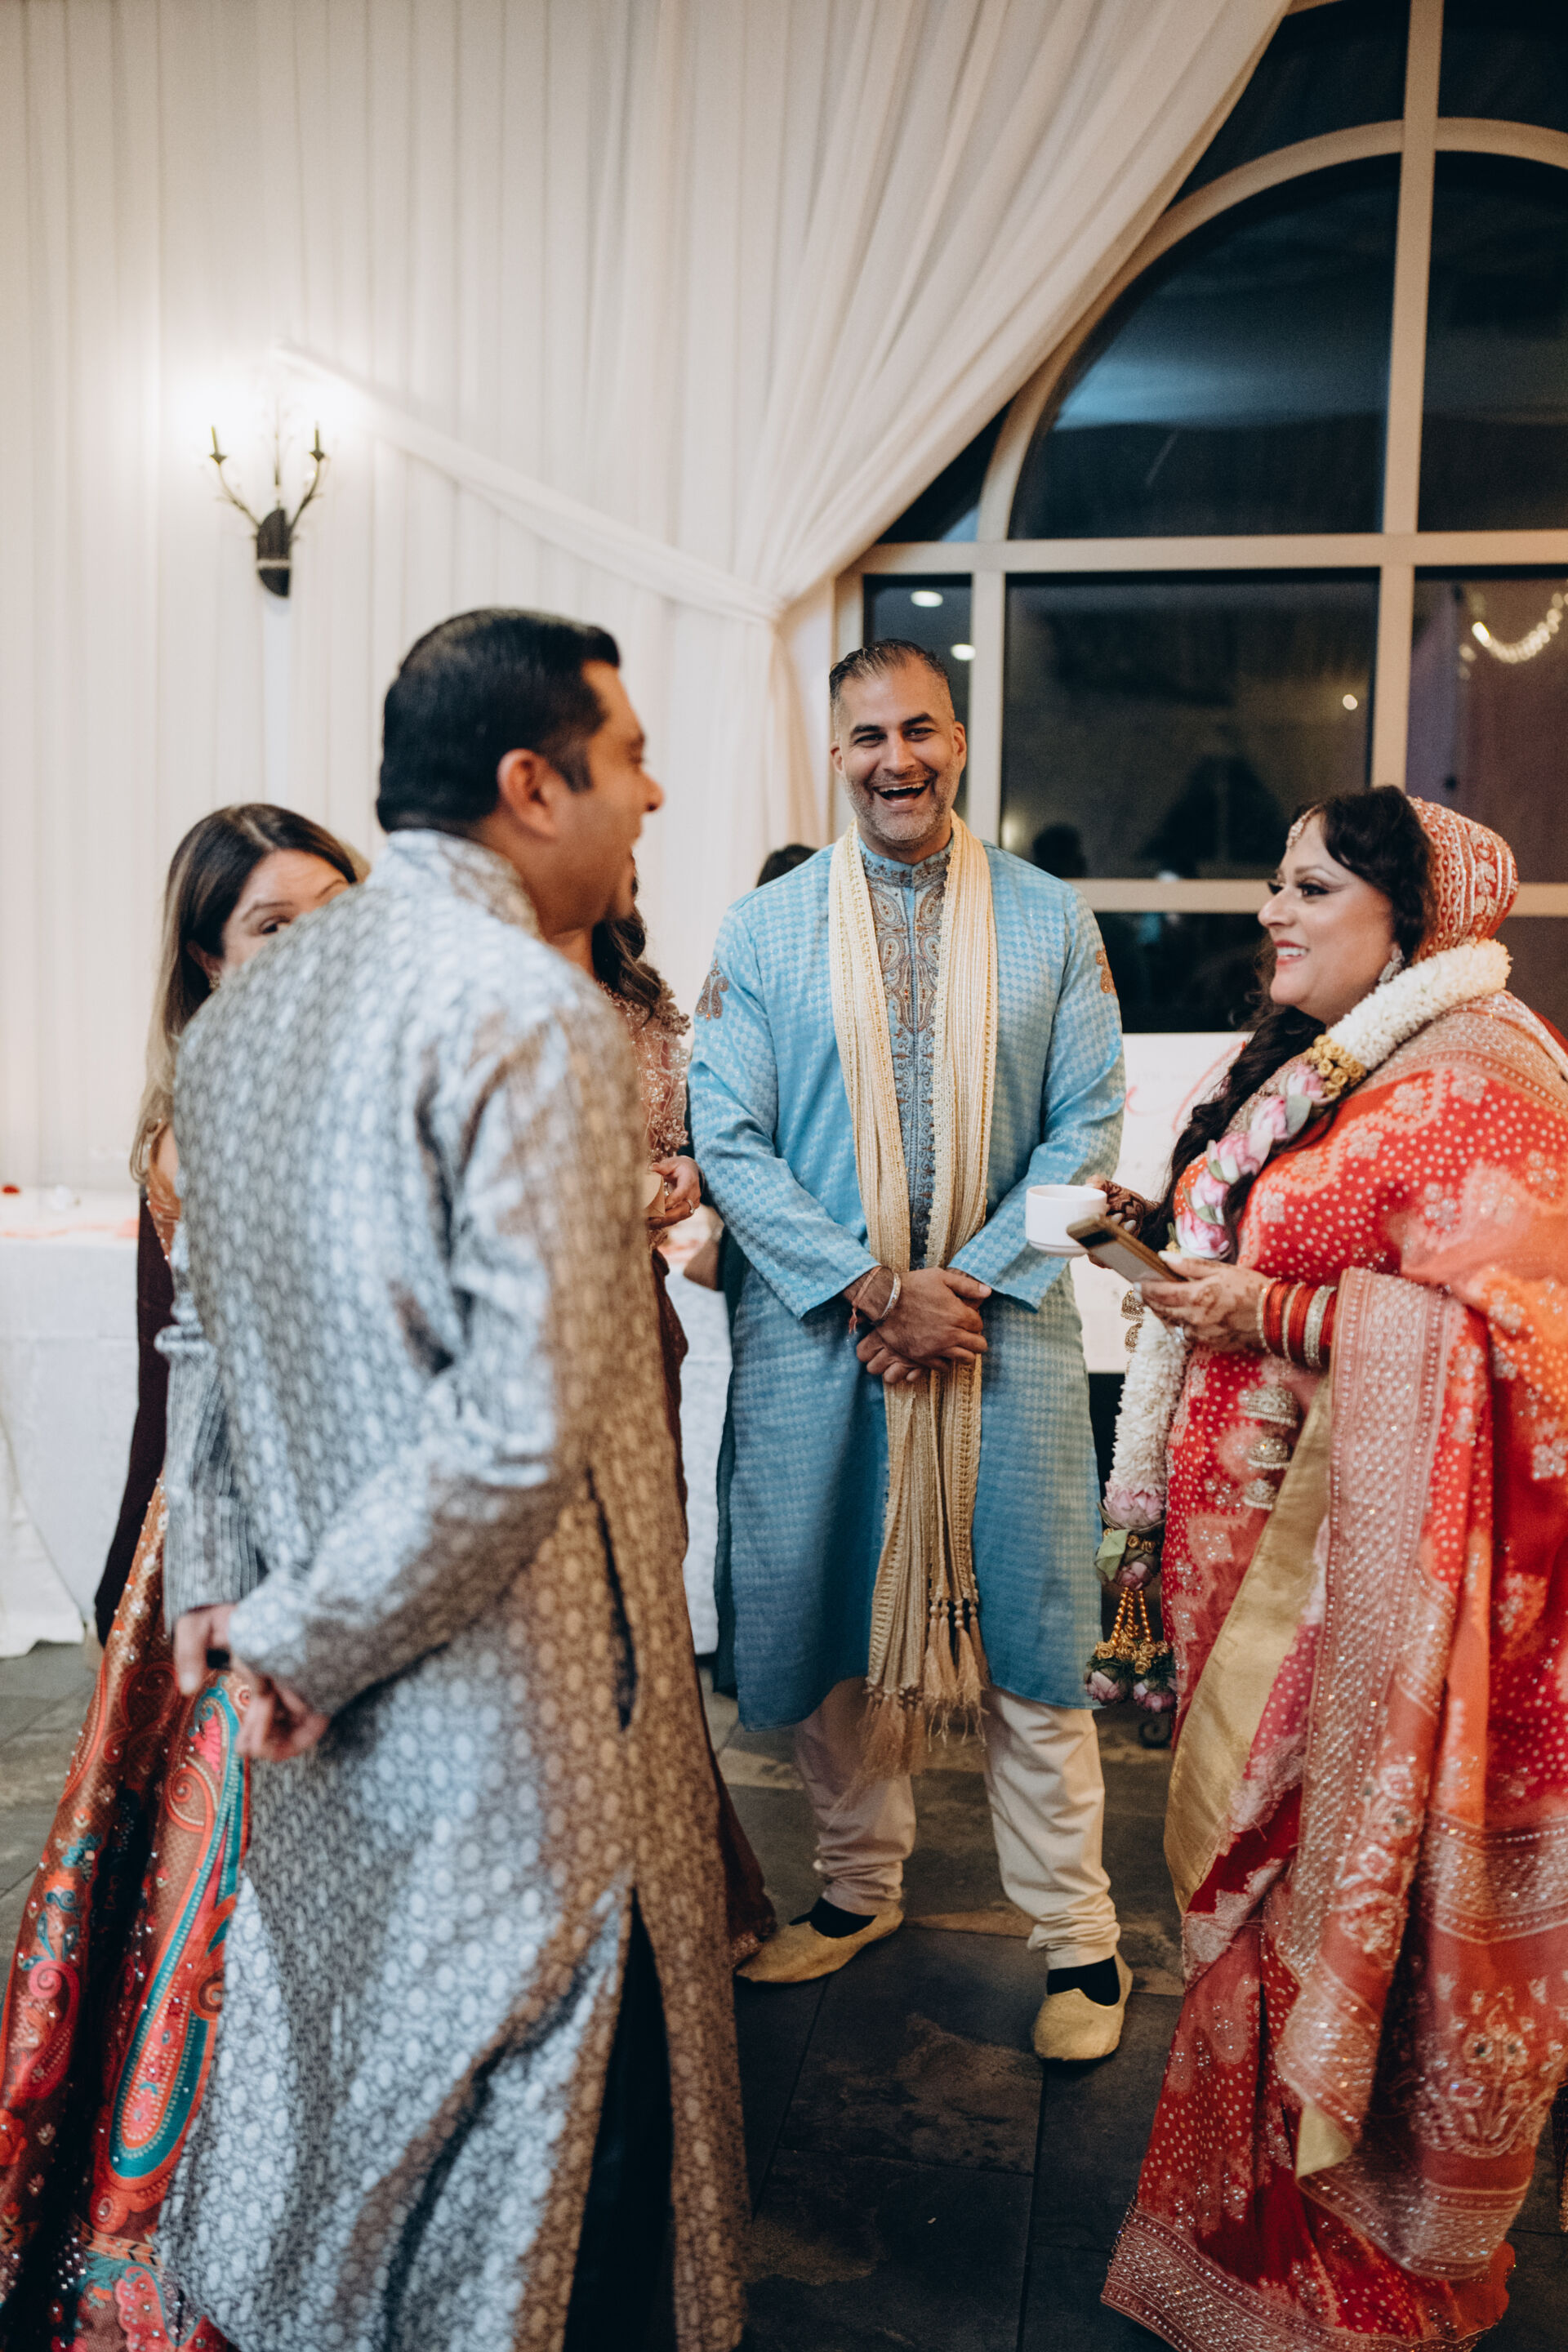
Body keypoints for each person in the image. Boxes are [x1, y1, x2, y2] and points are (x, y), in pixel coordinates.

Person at [157, 610, 746, 2352]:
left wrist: (230, 1594)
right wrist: (305, 1636)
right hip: (526, 1708)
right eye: (629, 755)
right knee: (547, 2163)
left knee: (359, 2090)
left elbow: (209, 1344)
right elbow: (517, 1427)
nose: (651, 794)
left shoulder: (251, 1015)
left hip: (322, 1696)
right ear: (529, 784)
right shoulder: (525, 1008)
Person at [1096, 790, 1568, 2346]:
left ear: (1412, 918)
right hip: (1264, 1561)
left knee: (1329, 1893)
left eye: (1310, 888)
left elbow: (1526, 1351)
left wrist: (1274, 1316)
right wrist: (1182, 1256)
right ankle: (1232, 2233)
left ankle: (1341, 2269)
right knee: (1251, 1909)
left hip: (1365, 1595)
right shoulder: (1341, 1062)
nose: (1272, 913)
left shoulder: (1488, 1077)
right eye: (1276, 884)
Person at [688, 638, 1132, 2061]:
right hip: (827, 1335)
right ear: (836, 755)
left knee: (1031, 1634)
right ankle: (855, 1888)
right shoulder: (765, 931)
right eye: (870, 736)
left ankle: (1079, 1941)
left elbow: (1088, 1125)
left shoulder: (1051, 920)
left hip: (1002, 1335)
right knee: (827, 1617)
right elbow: (728, 1139)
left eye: (922, 731)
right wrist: (876, 1291)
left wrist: (966, 1287)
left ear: (960, 742)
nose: (899, 760)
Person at [0, 806, 358, 2351]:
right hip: (254, 1548)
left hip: (364, 1535)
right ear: (209, 958)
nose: (317, 945)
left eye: (337, 910)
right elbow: (199, 1389)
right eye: (277, 924)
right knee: (232, 1901)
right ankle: (205, 2237)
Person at [548, 871, 777, 1967]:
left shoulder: (641, 997)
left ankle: (679, 1883)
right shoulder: (493, 992)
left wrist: (679, 1171)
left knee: (647, 1575)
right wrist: (621, 1191)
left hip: (638, 1320)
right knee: (566, 1597)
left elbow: (681, 1143)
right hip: (540, 1329)